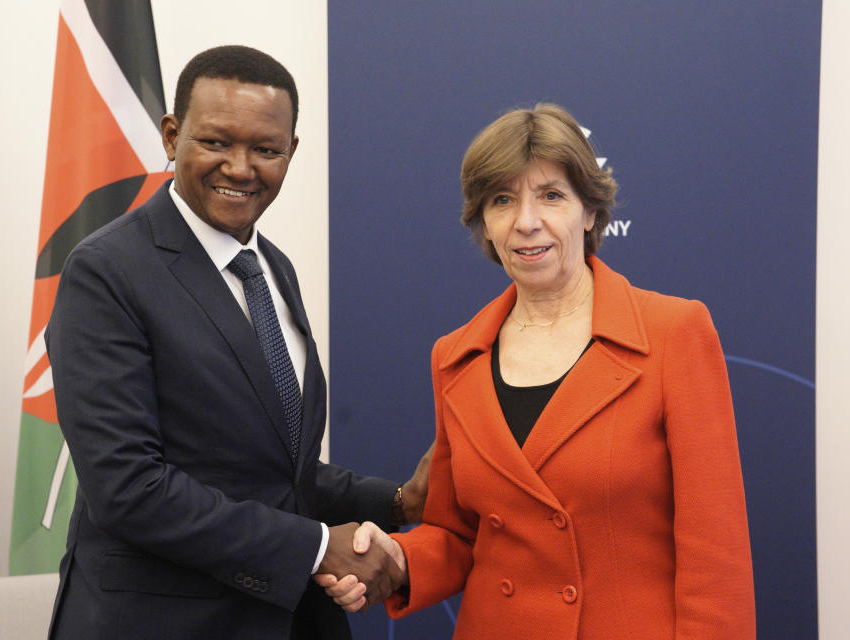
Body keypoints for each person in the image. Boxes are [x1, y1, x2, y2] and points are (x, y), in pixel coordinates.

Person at [318, 104, 756, 638]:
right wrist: (397, 557)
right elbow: (460, 535)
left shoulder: (673, 333)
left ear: (590, 212)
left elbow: (717, 555)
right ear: (483, 223)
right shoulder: (455, 356)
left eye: (551, 195)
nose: (526, 221)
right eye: (502, 200)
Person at [45, 45, 431, 640]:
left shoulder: (271, 268)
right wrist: (317, 546)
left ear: (291, 152)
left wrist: (399, 503)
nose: (241, 167)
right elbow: (129, 487)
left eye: (266, 149)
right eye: (217, 142)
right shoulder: (106, 271)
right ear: (172, 136)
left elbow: (269, 469)